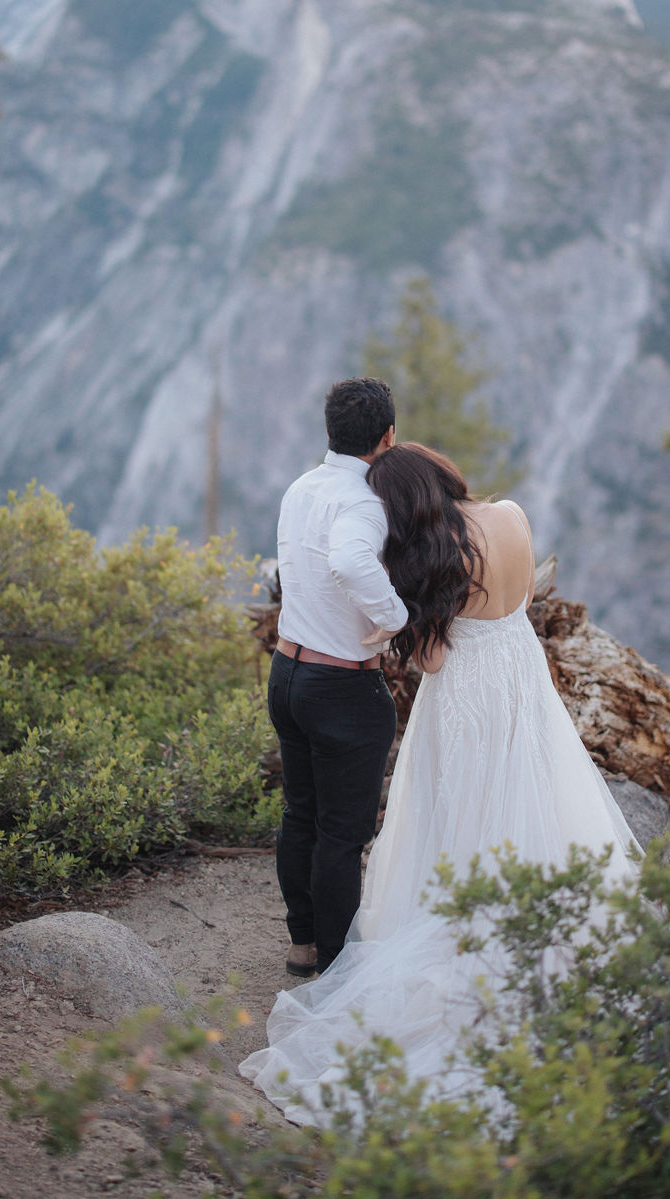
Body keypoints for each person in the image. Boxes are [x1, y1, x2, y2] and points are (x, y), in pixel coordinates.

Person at [241, 442, 640, 1124]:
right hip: (522, 684)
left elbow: (430, 655)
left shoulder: (437, 555)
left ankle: (466, 932)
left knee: (460, 819)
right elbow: (514, 605)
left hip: (462, 699)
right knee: (525, 800)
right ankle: (545, 926)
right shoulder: (511, 514)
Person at [267, 377, 410, 980]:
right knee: (342, 831)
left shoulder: (302, 487)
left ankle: (304, 943)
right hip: (341, 688)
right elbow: (351, 561)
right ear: (387, 437)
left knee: (301, 813)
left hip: (288, 673)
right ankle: (334, 961)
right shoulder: (362, 503)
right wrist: (397, 617)